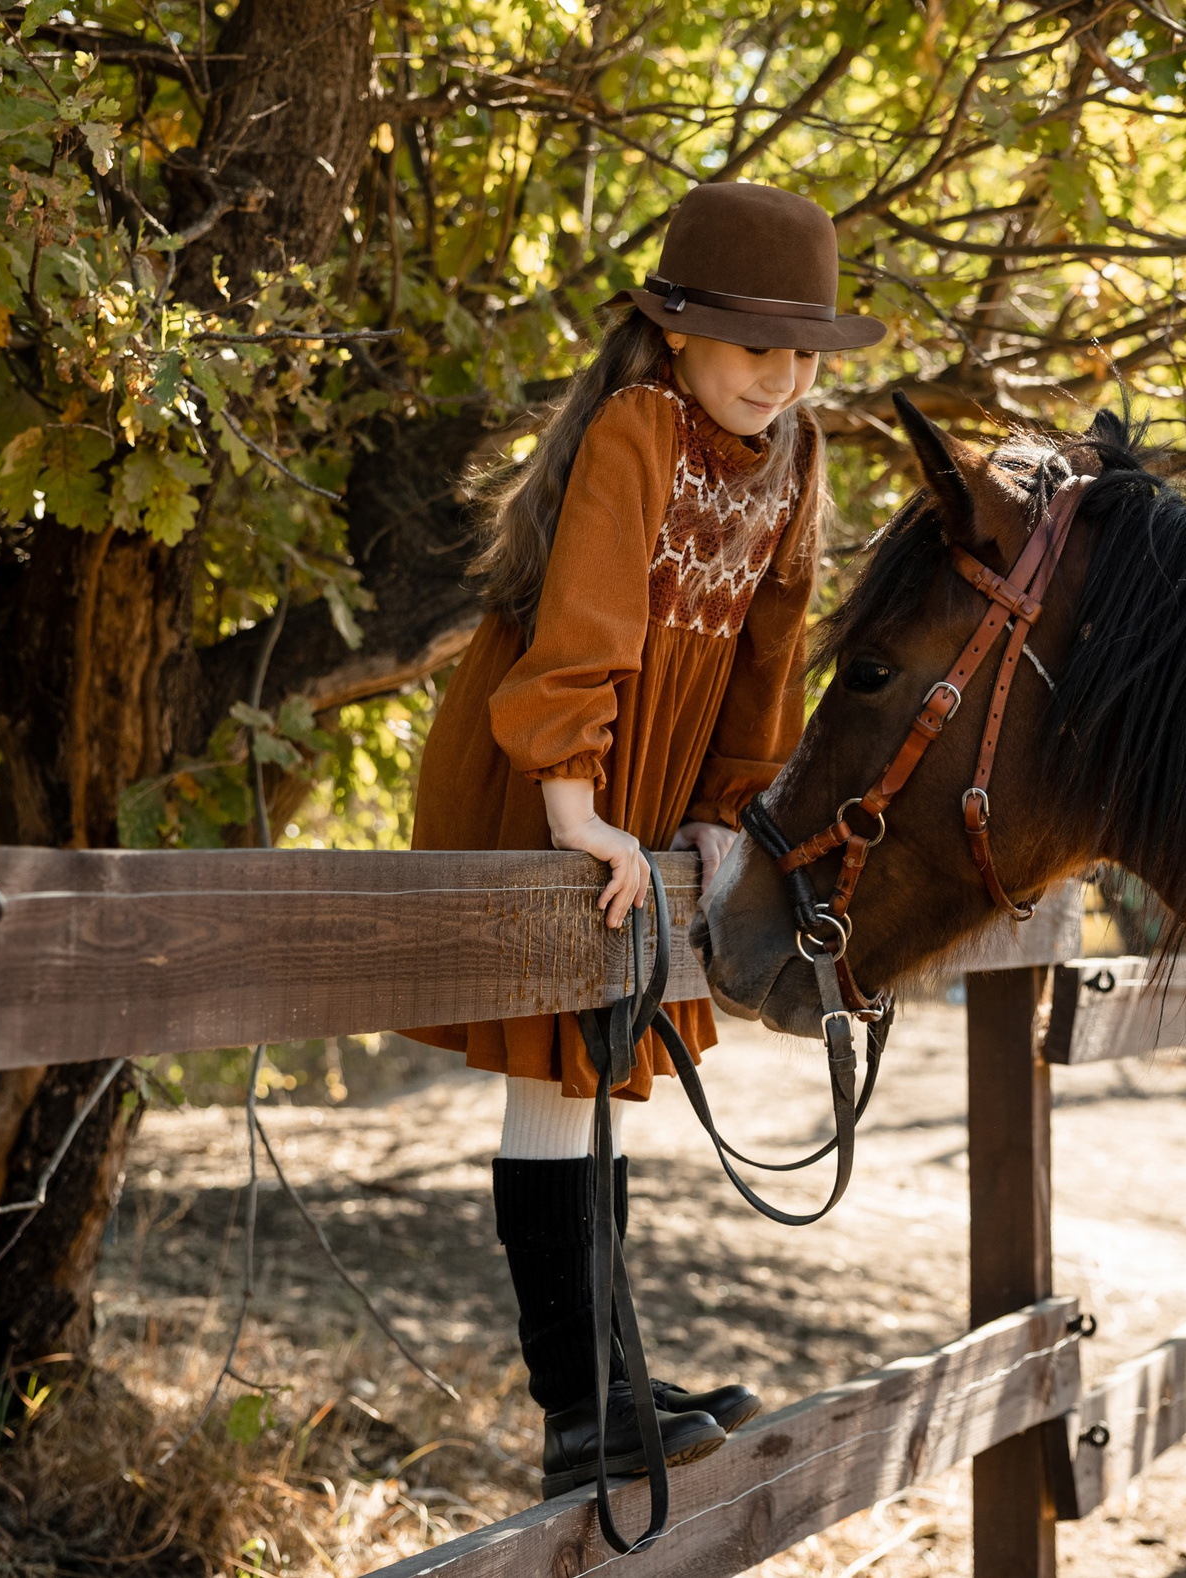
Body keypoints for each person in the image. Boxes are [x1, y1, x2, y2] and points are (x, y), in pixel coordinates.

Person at [402, 181, 886, 1497]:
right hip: (548, 764)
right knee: (557, 1067)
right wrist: (577, 807)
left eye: (799, 352)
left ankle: (609, 1383)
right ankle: (584, 1402)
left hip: (648, 788)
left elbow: (767, 667)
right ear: (679, 334)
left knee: (590, 1069)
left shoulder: (793, 460)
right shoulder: (638, 430)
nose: (778, 375)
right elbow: (592, 628)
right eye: (752, 345)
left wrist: (725, 816)